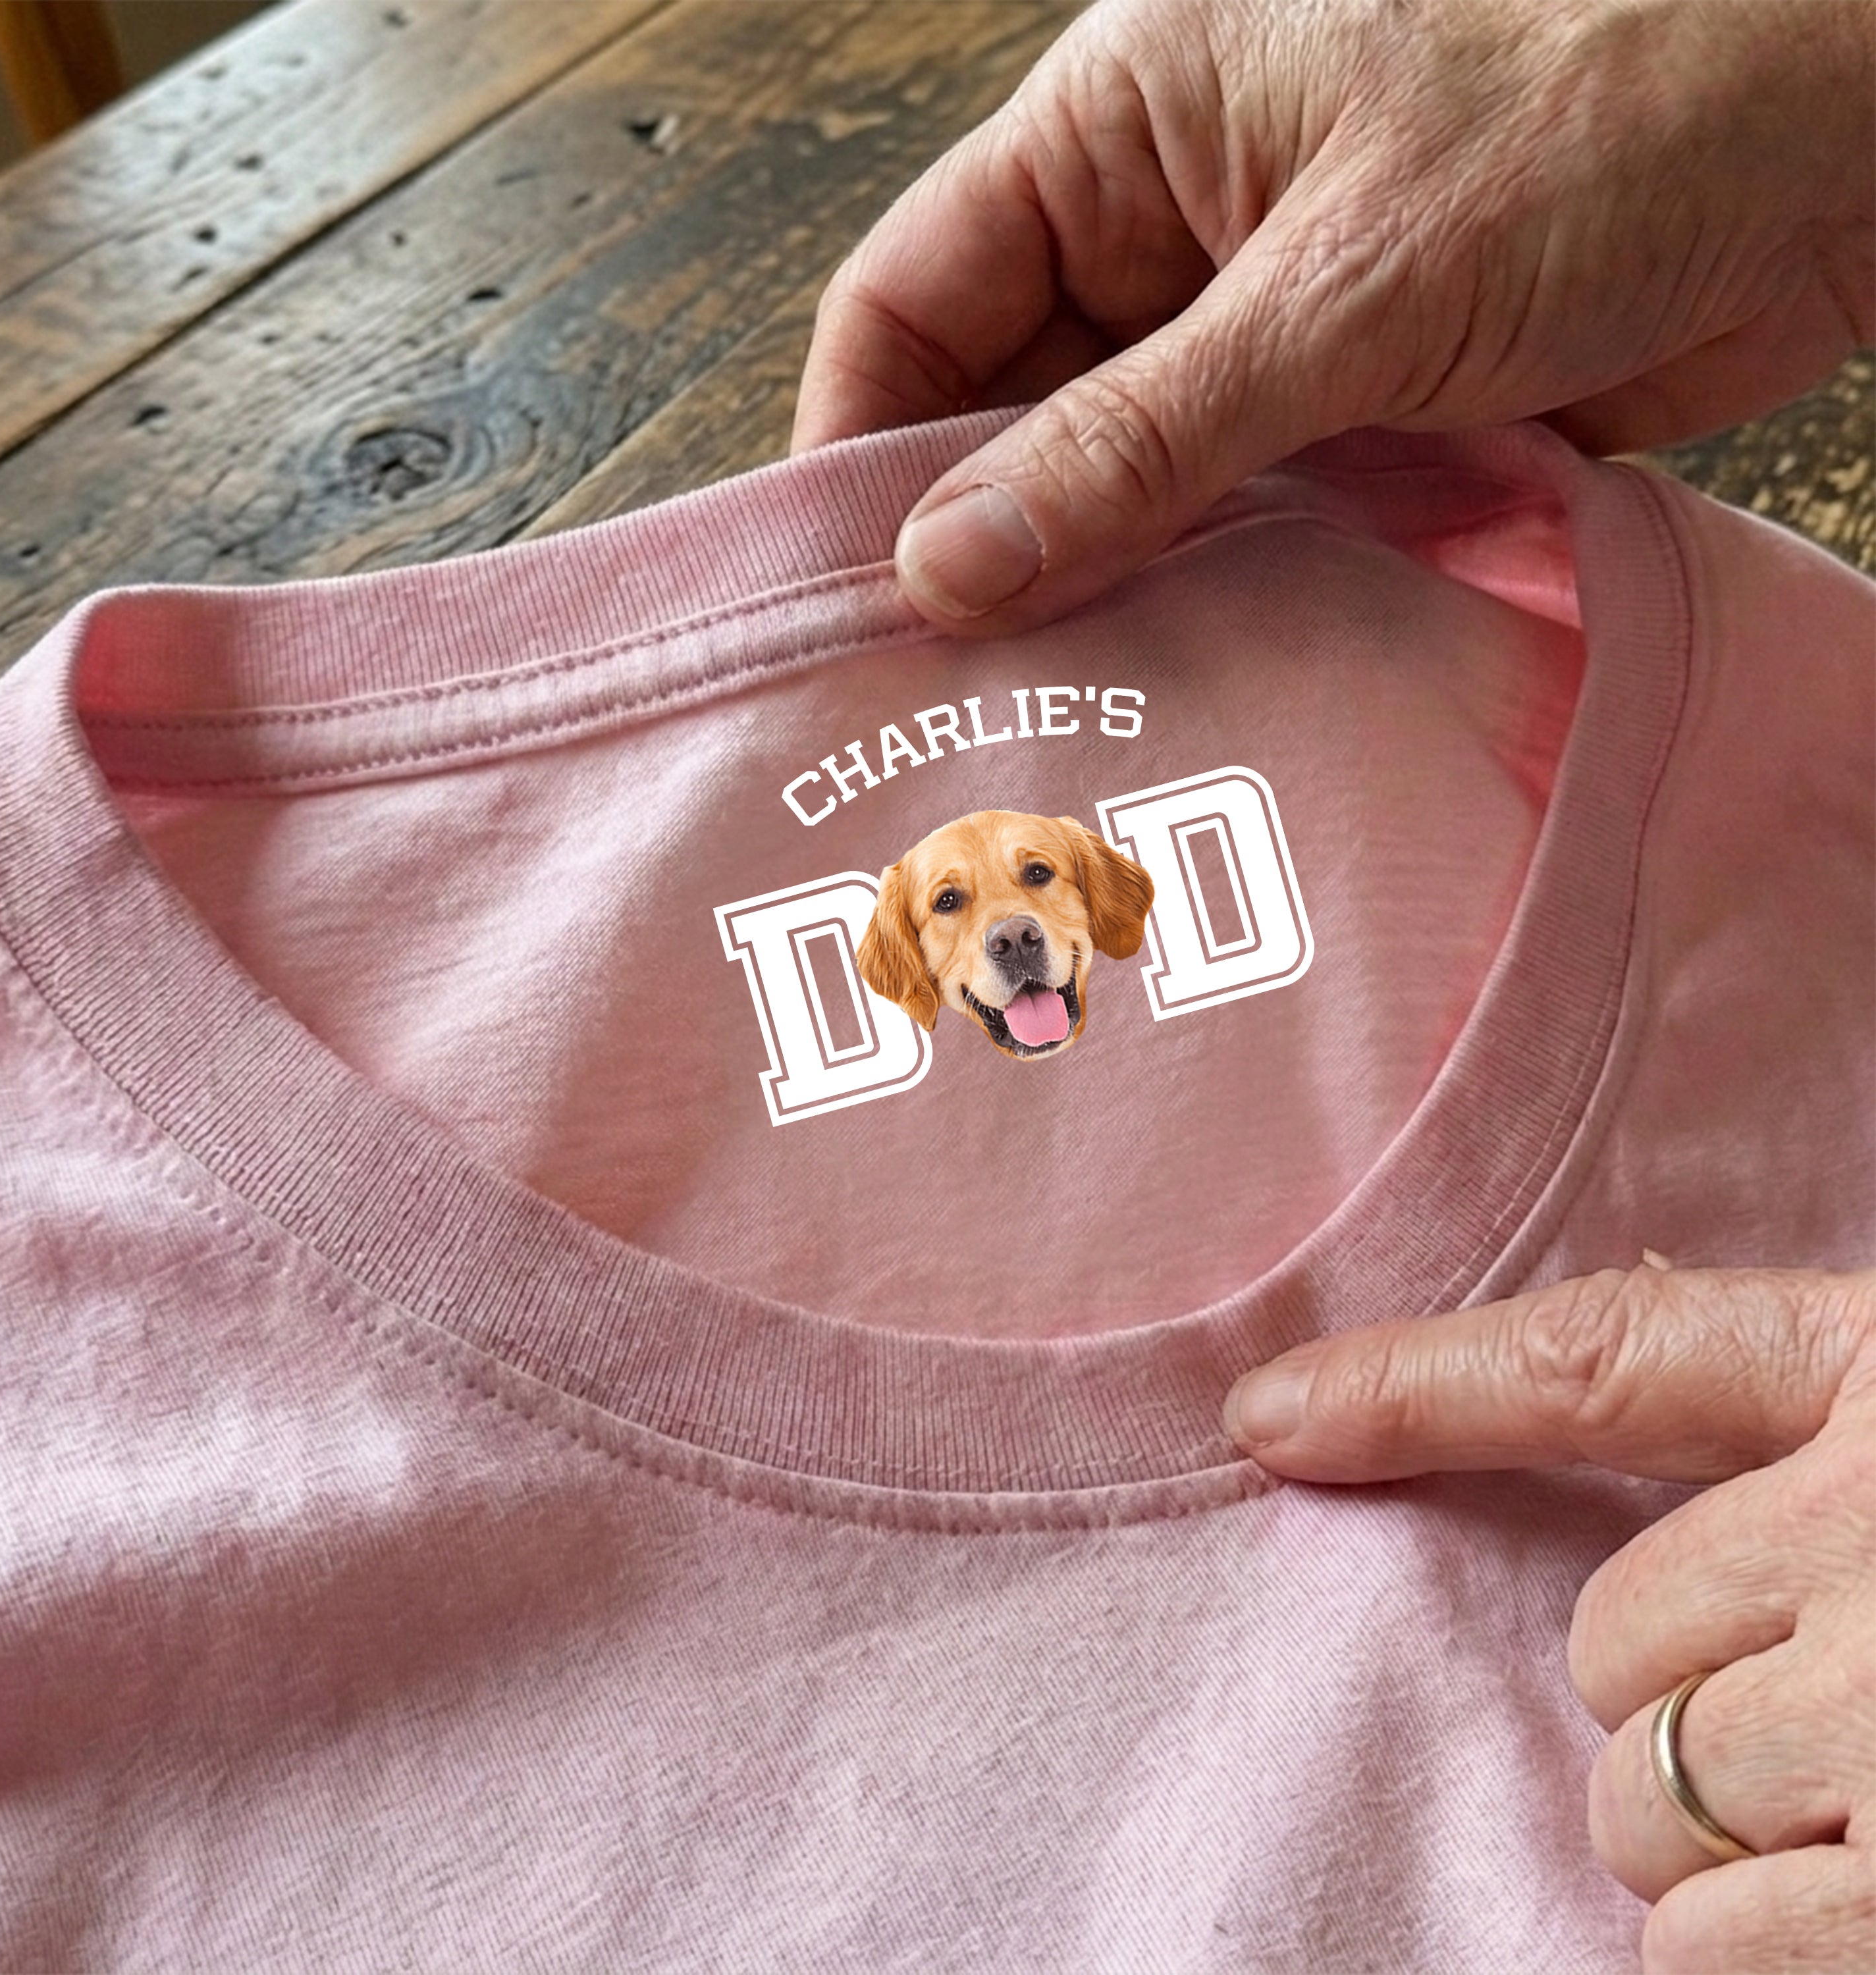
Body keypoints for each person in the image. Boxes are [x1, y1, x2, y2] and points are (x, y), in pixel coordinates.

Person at [793, 1, 1876, 1968]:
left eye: (1038, 886)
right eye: (964, 909)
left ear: (1100, 901)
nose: (1012, 923)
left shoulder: (1781, 727)